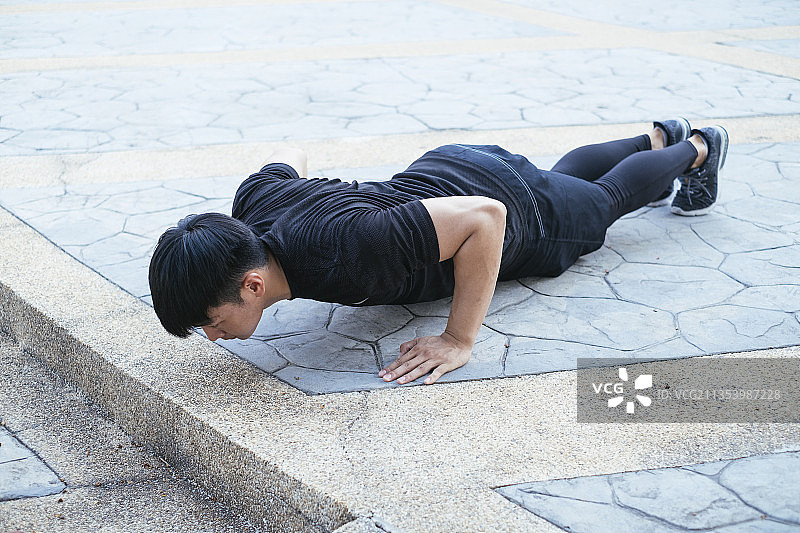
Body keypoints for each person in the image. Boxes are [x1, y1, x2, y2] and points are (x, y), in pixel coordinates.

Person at [149, 118, 728, 385]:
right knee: (562, 183)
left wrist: (458, 339)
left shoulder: (356, 249)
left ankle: (699, 147)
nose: (214, 336)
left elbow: (486, 218)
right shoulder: (253, 206)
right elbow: (289, 154)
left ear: (250, 285)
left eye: (212, 322)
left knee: (600, 203)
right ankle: (656, 136)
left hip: (505, 205)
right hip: (447, 167)